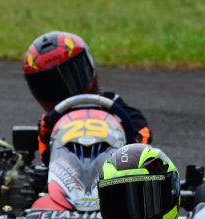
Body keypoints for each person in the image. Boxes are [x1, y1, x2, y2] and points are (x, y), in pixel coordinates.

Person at [22, 31, 152, 164]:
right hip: (67, 179)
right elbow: (47, 159)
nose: (64, 89)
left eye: (71, 76)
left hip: (113, 174)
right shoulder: (49, 122)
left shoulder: (113, 106)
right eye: (51, 86)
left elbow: (142, 135)